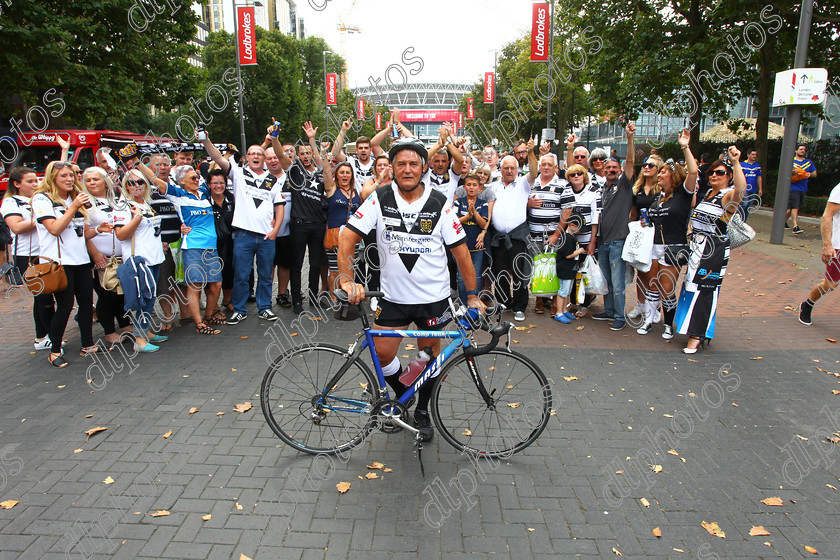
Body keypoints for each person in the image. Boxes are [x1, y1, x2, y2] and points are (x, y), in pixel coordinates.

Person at [337, 137, 484, 443]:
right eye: (400, 164)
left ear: (424, 167)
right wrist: (346, 278)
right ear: (391, 167)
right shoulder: (378, 198)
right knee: (382, 352)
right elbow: (347, 237)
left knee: (429, 357)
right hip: (393, 298)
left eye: (413, 164)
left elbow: (461, 254)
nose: (407, 169)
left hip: (434, 300)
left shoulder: (440, 203)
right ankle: (405, 392)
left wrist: (471, 295)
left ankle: (421, 412)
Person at [201, 130, 285, 324]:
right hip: (243, 236)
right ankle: (239, 309)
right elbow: (217, 158)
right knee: (241, 275)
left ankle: (265, 307)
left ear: (264, 158)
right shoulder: (238, 173)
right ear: (247, 157)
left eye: (259, 154)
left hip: (266, 237)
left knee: (265, 275)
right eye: (252, 153)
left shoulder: (273, 180)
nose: (256, 156)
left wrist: (275, 231)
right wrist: (206, 140)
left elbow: (279, 208)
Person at [675, 143, 746, 353]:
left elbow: (741, 191)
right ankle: (694, 329)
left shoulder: (727, 196)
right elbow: (693, 171)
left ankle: (696, 335)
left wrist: (735, 161)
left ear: (729, 176)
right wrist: (686, 147)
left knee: (704, 291)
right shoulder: (706, 195)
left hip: (713, 250)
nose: (714, 175)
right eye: (712, 172)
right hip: (697, 248)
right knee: (691, 287)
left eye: (721, 172)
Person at [31, 161, 98, 367]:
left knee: (86, 304)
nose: (70, 179)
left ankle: (87, 344)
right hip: (59, 263)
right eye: (64, 176)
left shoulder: (73, 198)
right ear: (52, 178)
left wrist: (99, 230)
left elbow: (80, 232)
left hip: (80, 259)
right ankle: (54, 350)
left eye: (72, 175)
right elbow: (54, 229)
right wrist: (73, 207)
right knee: (65, 306)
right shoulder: (42, 199)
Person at [639, 131, 698, 339]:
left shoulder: (683, 195)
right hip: (654, 246)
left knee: (666, 287)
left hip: (673, 247)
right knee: (651, 282)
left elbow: (692, 173)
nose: (660, 175)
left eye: (663, 172)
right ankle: (648, 320)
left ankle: (668, 324)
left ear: (673, 176)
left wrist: (684, 146)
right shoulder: (659, 197)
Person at [155, 165, 224, 334]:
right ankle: (199, 324)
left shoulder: (203, 192)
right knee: (195, 285)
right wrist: (136, 161)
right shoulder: (178, 195)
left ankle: (208, 316)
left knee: (216, 285)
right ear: (181, 181)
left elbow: (218, 163)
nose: (196, 180)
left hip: (211, 247)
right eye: (192, 178)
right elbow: (155, 180)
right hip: (192, 246)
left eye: (197, 177)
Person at [2, 166, 58, 351]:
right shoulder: (11, 202)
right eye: (30, 181)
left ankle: (47, 335)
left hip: (46, 252)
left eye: (36, 180)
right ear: (17, 184)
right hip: (28, 256)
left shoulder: (39, 198)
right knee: (43, 297)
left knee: (47, 296)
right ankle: (43, 337)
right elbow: (16, 227)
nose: (35, 184)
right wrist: (44, 217)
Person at [113, 169, 168, 352]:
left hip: (154, 258)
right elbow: (121, 234)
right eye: (131, 183)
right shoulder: (123, 206)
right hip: (139, 261)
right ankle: (138, 339)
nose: (136, 186)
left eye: (140, 182)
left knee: (150, 298)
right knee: (143, 300)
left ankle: (145, 331)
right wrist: (137, 217)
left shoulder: (145, 203)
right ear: (124, 186)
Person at [275, 123, 325, 315]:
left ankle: (313, 299)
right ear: (297, 155)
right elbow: (280, 156)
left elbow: (322, 161)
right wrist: (275, 137)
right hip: (299, 225)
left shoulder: (320, 171)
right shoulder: (294, 170)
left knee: (314, 265)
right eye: (301, 153)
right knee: (297, 265)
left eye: (308, 153)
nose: (305, 156)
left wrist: (312, 139)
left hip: (318, 225)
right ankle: (297, 300)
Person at [591, 123, 637, 331]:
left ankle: (620, 315)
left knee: (618, 285)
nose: (610, 171)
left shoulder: (624, 185)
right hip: (604, 241)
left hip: (618, 241)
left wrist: (629, 138)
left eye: (614, 169)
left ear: (619, 171)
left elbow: (631, 160)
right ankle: (609, 311)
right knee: (607, 281)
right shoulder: (604, 189)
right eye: (607, 168)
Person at [82, 167, 132, 350]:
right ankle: (109, 330)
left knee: (121, 292)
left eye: (96, 179)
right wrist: (94, 253)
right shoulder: (85, 203)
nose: (92, 183)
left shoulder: (117, 199)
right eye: (88, 180)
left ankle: (125, 323)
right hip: (101, 257)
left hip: (121, 255)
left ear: (105, 181)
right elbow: (82, 232)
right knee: (106, 294)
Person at [488, 143, 538, 321]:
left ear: (518, 169)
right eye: (506, 168)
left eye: (512, 168)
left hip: (518, 236)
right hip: (498, 237)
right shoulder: (492, 187)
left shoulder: (524, 183)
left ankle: (519, 306)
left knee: (520, 272)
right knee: (500, 271)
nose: (509, 171)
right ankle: (503, 302)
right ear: (500, 169)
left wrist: (531, 152)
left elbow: (534, 171)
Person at [547, 162, 600, 317]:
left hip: (587, 239)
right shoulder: (566, 192)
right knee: (571, 273)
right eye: (572, 174)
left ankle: (585, 304)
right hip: (570, 239)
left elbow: (596, 218)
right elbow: (563, 215)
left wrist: (592, 242)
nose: (576, 176)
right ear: (568, 178)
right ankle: (569, 305)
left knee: (585, 274)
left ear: (585, 175)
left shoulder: (594, 191)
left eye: (579, 173)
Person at [526, 145, 571, 315]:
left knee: (554, 269)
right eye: (543, 164)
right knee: (538, 269)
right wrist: (527, 203)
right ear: (539, 166)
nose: (546, 167)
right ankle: (538, 299)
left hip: (554, 236)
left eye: (549, 165)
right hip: (533, 234)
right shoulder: (531, 182)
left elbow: (567, 211)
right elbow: (518, 203)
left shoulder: (563, 185)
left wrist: (556, 234)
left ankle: (554, 303)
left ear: (555, 167)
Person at [148, 153, 187, 329]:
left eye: (165, 164)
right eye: (158, 164)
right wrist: (157, 240)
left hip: (180, 241)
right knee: (164, 283)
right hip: (160, 244)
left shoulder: (178, 185)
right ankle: (168, 316)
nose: (162, 168)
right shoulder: (146, 188)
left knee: (182, 280)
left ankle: (186, 313)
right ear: (149, 167)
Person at [626, 154, 664, 322]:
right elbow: (633, 213)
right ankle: (641, 304)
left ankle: (654, 307)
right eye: (645, 165)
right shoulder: (638, 188)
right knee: (641, 271)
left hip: (657, 235)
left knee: (653, 273)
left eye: (651, 165)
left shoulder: (662, 189)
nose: (647, 167)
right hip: (642, 234)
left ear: (659, 169)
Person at [799, 182, 840, 326]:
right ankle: (808, 304)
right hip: (838, 247)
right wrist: (827, 245)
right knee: (830, 285)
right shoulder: (839, 189)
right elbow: (827, 216)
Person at [323, 160, 360, 297]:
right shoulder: (332, 189)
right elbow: (326, 173)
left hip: (351, 237)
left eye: (348, 173)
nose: (345, 175)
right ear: (336, 175)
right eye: (342, 172)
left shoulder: (357, 193)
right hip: (335, 236)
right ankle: (334, 298)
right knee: (334, 270)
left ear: (351, 176)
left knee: (350, 269)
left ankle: (348, 295)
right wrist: (324, 156)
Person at [454, 173, 489, 304]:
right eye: (469, 184)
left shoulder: (483, 203)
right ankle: (463, 304)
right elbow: (456, 222)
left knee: (477, 276)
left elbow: (483, 223)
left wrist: (474, 211)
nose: (472, 187)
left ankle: (475, 303)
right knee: (461, 277)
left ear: (479, 188)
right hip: (461, 245)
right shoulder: (459, 202)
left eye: (474, 185)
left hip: (477, 245)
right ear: (464, 187)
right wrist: (469, 215)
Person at [208, 169, 235, 314]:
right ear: (208, 184)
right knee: (213, 274)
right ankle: (214, 306)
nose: (218, 186)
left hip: (230, 241)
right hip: (211, 243)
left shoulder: (232, 199)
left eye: (221, 182)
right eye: (214, 183)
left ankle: (227, 299)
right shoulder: (204, 201)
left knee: (230, 270)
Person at [552, 211, 585, 323]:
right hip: (565, 268)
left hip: (571, 269)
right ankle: (559, 312)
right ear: (572, 225)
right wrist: (579, 251)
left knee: (567, 291)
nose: (580, 231)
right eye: (579, 228)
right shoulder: (567, 238)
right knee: (563, 291)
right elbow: (568, 255)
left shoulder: (572, 237)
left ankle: (564, 309)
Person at [787, 144, 816, 234]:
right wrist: (793, 171)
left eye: (804, 149)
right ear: (796, 151)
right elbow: (785, 172)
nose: (803, 151)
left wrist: (810, 174)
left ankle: (782, 222)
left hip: (803, 187)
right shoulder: (792, 161)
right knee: (795, 207)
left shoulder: (809, 162)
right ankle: (795, 226)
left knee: (794, 207)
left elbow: (815, 174)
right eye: (801, 149)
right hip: (793, 187)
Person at [740, 148, 762, 222]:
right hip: (744, 189)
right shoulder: (742, 165)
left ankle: (744, 222)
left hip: (753, 189)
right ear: (748, 155)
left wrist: (760, 189)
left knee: (748, 207)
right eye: (753, 154)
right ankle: (739, 219)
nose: (754, 156)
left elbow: (759, 177)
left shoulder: (757, 165)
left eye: (755, 154)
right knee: (744, 204)